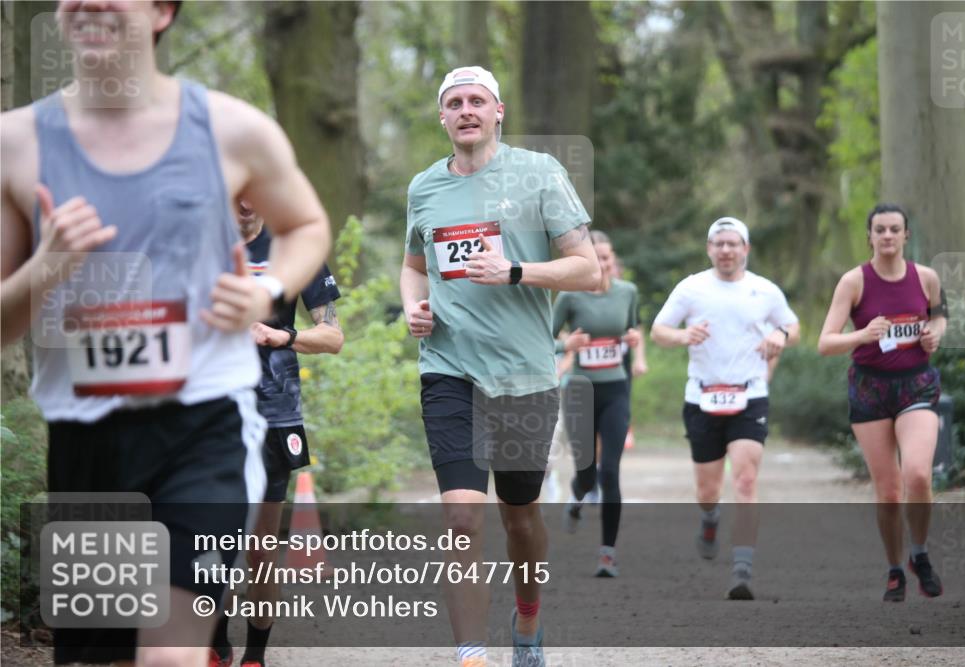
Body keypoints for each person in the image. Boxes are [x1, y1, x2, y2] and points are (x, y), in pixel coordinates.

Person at [0, 2, 330, 664]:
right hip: (88, 436)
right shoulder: (18, 143)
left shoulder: (231, 129)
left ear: (160, 10)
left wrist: (266, 291)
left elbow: (306, 226)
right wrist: (47, 266)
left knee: (171, 655)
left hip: (203, 429)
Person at [399, 65, 600, 667]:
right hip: (449, 368)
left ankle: (529, 616)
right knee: (462, 515)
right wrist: (416, 306)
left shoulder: (540, 174)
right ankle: (471, 656)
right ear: (442, 116)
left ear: (498, 112)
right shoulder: (424, 188)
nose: (466, 110)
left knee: (520, 521)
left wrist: (516, 270)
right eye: (454, 102)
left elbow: (587, 269)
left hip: (524, 376)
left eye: (477, 101)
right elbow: (413, 264)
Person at [210, 201, 343, 667]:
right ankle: (215, 641)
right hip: (206, 412)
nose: (245, 203)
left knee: (261, 545)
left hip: (273, 414)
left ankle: (255, 655)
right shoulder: (199, 243)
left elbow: (333, 336)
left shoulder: (296, 247)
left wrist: (280, 336)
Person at [650, 217, 799, 600]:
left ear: (745, 249)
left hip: (749, 395)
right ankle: (710, 518)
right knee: (707, 490)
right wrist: (683, 335)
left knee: (746, 481)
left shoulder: (764, 291)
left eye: (733, 243)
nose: (726, 250)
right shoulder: (691, 288)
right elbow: (658, 330)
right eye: (719, 243)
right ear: (709, 248)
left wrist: (779, 335)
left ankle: (742, 569)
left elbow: (792, 326)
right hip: (702, 397)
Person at [818, 203, 946, 602]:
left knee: (919, 477)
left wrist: (934, 334)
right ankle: (895, 568)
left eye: (895, 229)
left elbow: (939, 316)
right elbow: (825, 342)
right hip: (870, 389)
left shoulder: (926, 278)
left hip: (916, 385)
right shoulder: (853, 282)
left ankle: (920, 554)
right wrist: (861, 336)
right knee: (888, 492)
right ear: (869, 236)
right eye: (880, 230)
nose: (888, 236)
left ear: (906, 235)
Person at [553, 230, 642, 577]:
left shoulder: (627, 293)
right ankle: (576, 500)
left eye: (606, 258)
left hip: (616, 390)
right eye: (596, 258)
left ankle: (607, 553)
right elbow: (545, 337)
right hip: (580, 393)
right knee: (587, 475)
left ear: (612, 260)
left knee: (610, 472)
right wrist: (567, 345)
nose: (602, 264)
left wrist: (633, 341)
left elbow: (632, 332)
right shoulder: (571, 297)